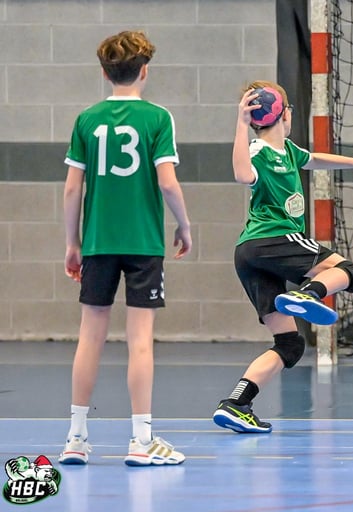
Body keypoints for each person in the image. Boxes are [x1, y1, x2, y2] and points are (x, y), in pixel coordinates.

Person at [212, 80, 353, 433]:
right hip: (273, 239)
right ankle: (309, 293)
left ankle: (237, 403)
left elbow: (315, 159)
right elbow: (242, 174)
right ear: (285, 114)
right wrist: (240, 126)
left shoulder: (289, 151)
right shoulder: (258, 151)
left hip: (249, 255)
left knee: (290, 344)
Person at [58, 31, 192, 466]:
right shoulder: (158, 118)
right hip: (143, 243)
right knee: (140, 342)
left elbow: (72, 189)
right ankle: (141, 439)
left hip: (98, 243)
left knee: (89, 338)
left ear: (104, 72)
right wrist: (185, 225)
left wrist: (72, 242)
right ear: (144, 71)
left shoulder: (86, 120)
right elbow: (167, 182)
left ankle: (75, 438)